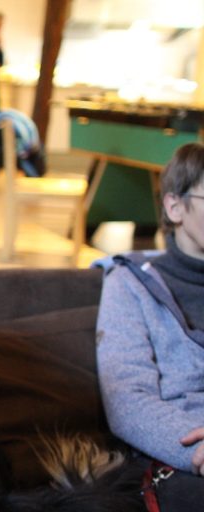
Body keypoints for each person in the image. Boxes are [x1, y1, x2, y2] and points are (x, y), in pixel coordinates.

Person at [96, 142, 204, 511]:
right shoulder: (130, 283)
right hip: (180, 456)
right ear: (175, 206)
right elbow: (128, 400)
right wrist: (194, 448)